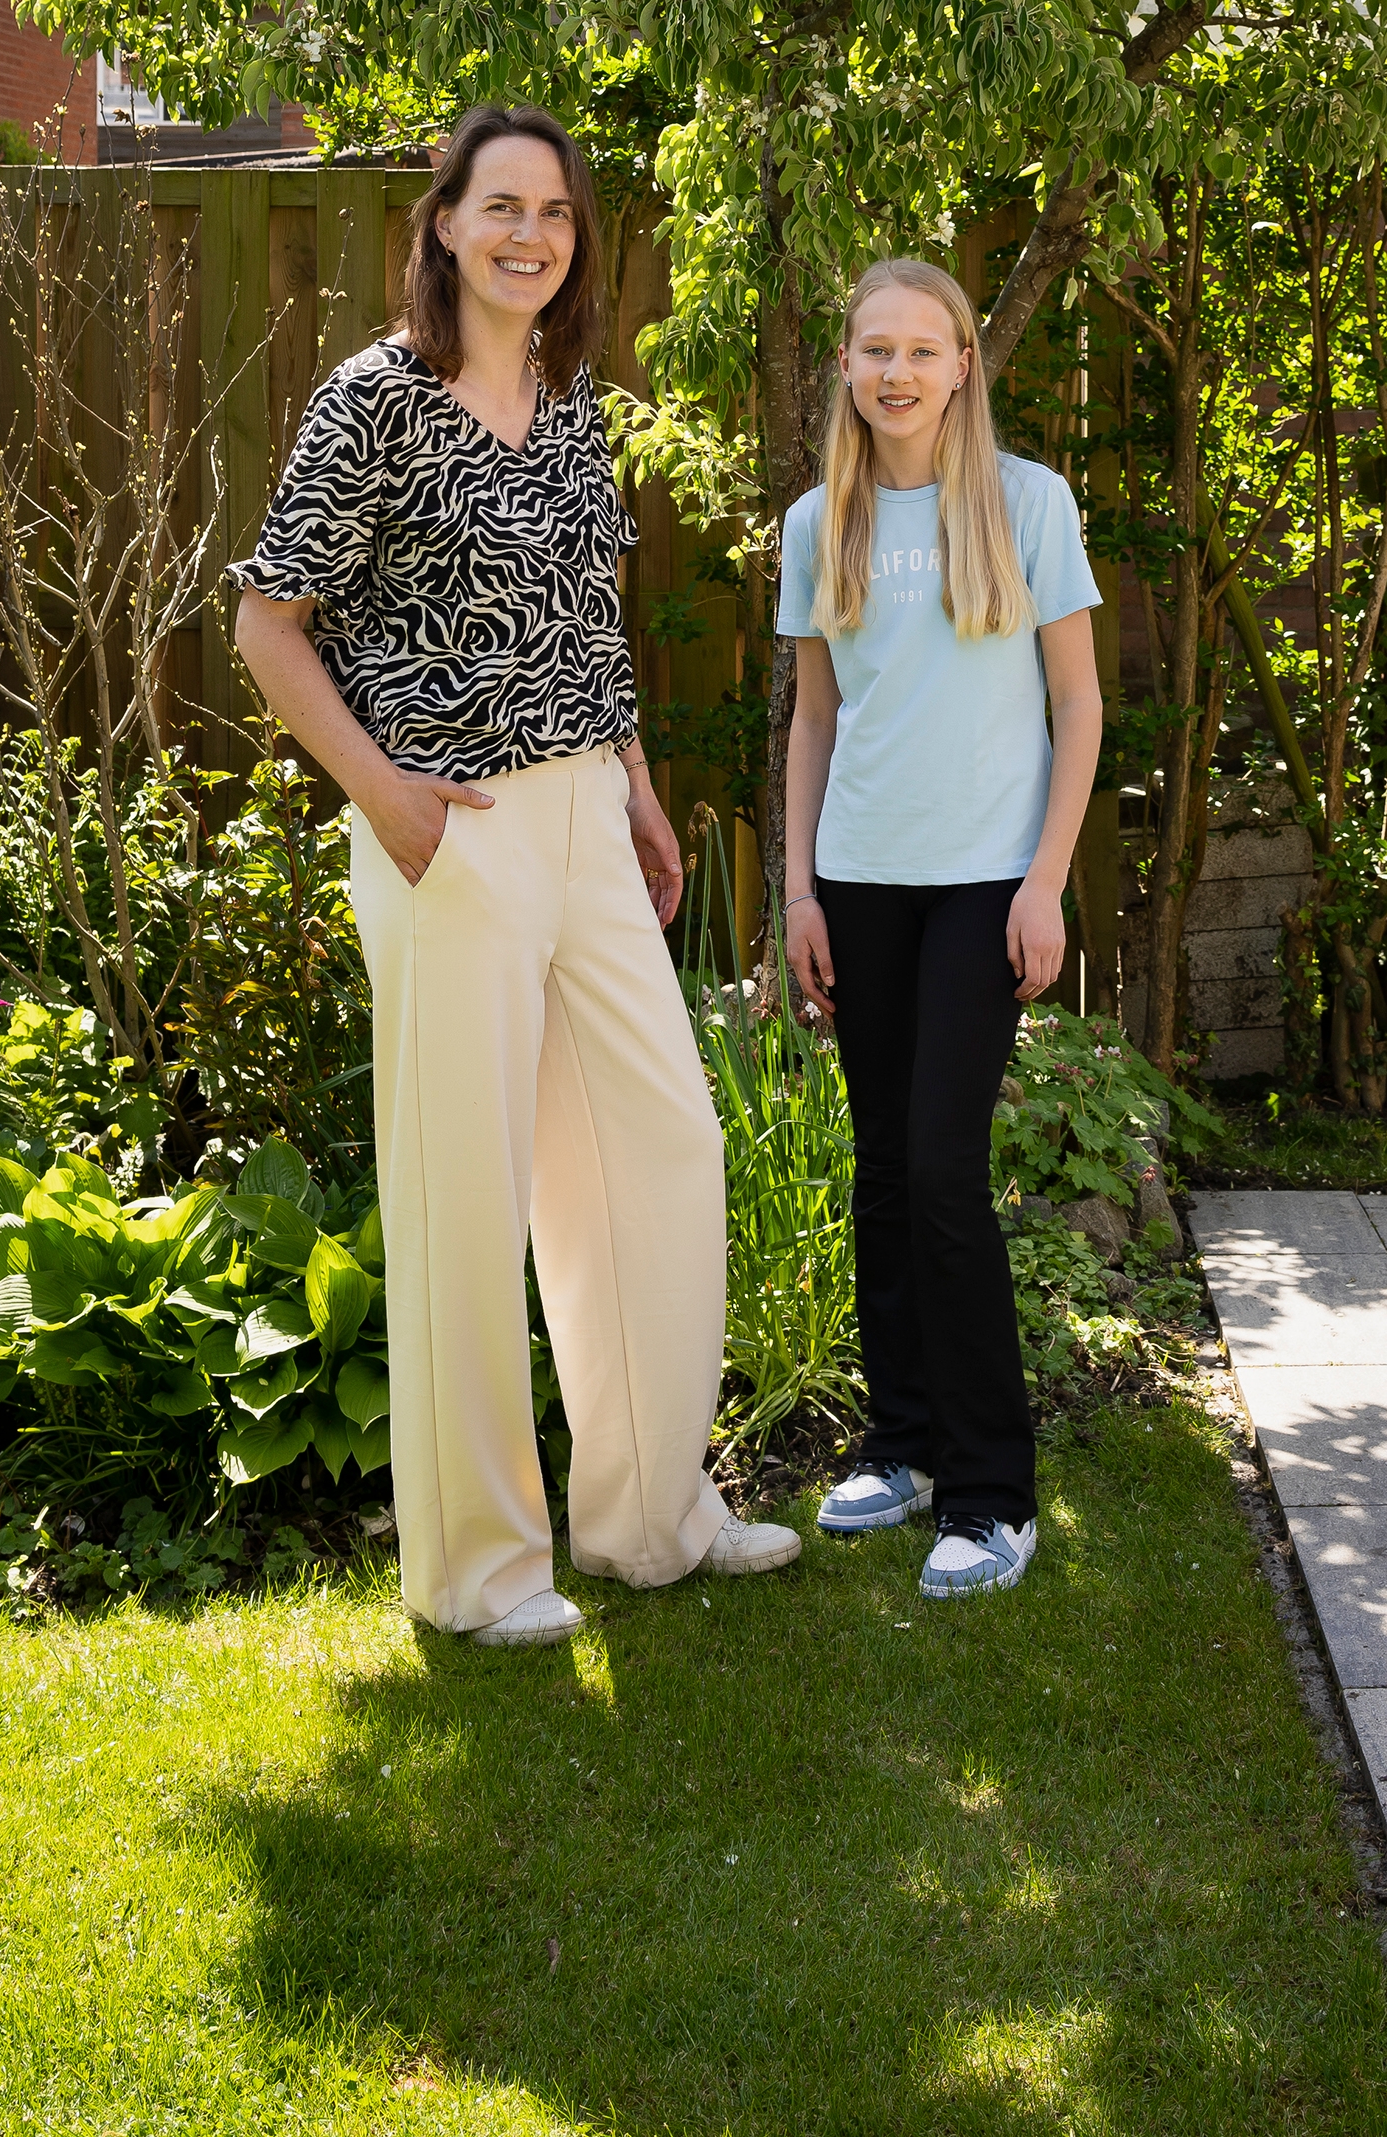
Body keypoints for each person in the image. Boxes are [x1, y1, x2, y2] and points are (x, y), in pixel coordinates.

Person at [231, 103, 798, 1645]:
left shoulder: (567, 398)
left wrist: (637, 787)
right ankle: (480, 1575)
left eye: (553, 212)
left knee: (658, 1151)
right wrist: (389, 803)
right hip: (451, 833)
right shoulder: (372, 401)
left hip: (587, 820)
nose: (528, 233)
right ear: (442, 224)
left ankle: (648, 1518)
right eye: (501, 206)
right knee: (466, 1196)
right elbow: (266, 626)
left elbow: (583, 614)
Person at [780, 257, 1103, 1599]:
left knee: (943, 1173)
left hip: (984, 885)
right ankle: (902, 1446)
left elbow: (1077, 706)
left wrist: (1044, 881)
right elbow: (813, 719)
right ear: (846, 371)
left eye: (923, 350)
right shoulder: (819, 522)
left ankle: (991, 1493)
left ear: (963, 364)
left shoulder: (1025, 505)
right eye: (874, 351)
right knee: (880, 1173)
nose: (897, 373)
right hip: (859, 880)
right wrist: (795, 890)